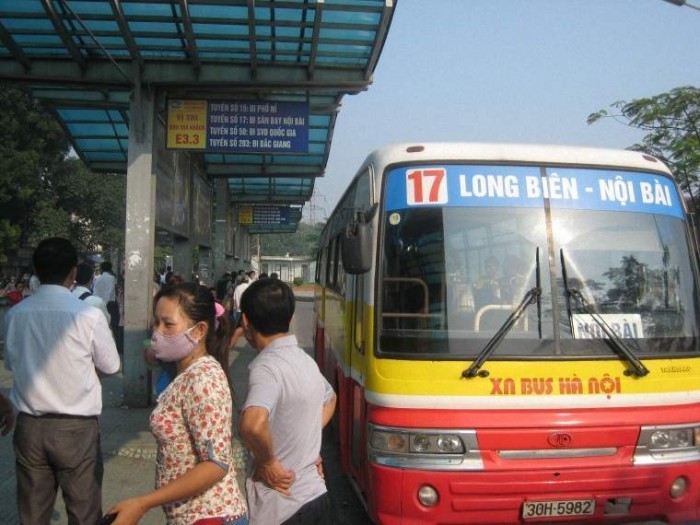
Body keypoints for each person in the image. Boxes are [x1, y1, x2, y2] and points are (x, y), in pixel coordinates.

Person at [108, 283, 248, 525]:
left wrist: (143, 503)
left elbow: (216, 464)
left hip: (208, 516)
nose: (157, 332)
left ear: (199, 330)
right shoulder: (184, 371)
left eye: (168, 324)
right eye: (156, 322)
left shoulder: (203, 379)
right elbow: (151, 356)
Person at [3, 237, 120, 524]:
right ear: (72, 272)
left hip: (29, 426)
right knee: (84, 512)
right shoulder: (88, 315)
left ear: (36, 270)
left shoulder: (15, 314)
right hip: (76, 429)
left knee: (32, 513)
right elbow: (111, 365)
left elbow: (11, 362)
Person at [238, 279, 337, 525]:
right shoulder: (305, 360)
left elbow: (252, 425)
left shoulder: (266, 368)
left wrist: (268, 461)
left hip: (282, 507)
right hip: (317, 497)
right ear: (290, 319)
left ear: (246, 322)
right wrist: (307, 437)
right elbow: (331, 398)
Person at [94, 261, 120, 340]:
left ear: (102, 269)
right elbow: (110, 291)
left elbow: (95, 292)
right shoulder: (112, 278)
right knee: (112, 325)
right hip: (110, 305)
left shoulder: (99, 279)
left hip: (99, 304)